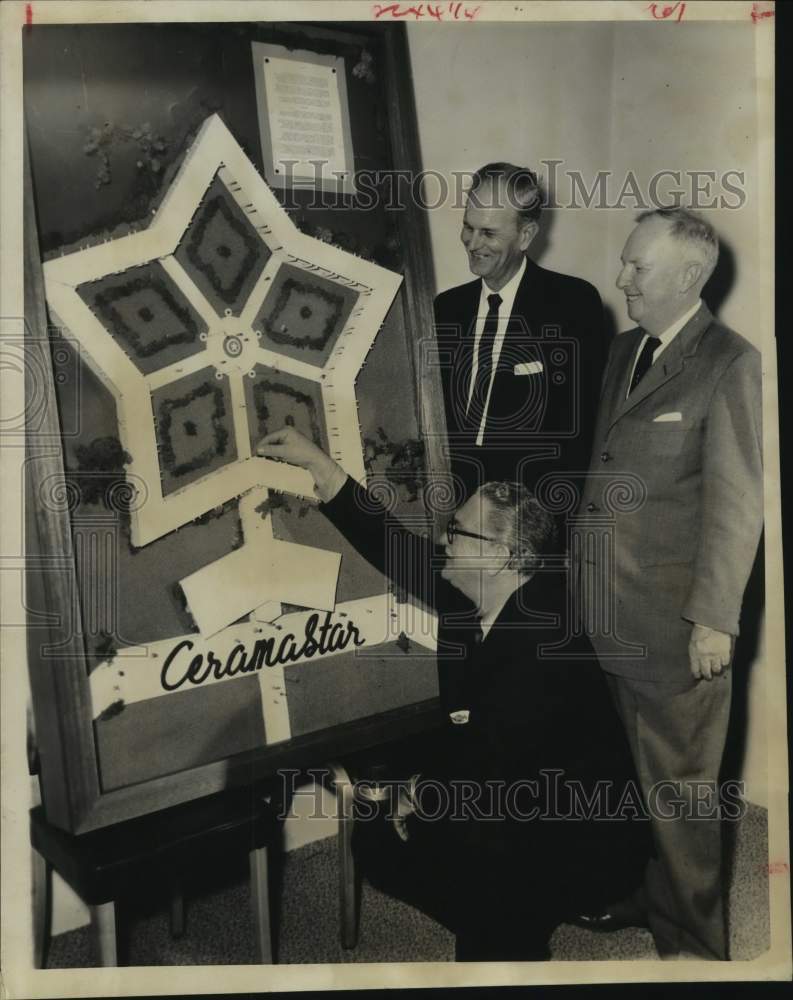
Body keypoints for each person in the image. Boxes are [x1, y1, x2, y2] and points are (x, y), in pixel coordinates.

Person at [258, 426, 647, 962]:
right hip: (507, 797)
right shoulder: (478, 592)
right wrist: (321, 468)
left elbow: (496, 766)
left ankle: (513, 932)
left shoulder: (546, 638)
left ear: (504, 555)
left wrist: (414, 792)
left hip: (576, 830)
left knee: (481, 893)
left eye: (458, 532)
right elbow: (395, 548)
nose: (443, 539)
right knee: (378, 847)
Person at [575, 208, 763, 960]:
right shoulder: (624, 350)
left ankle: (696, 936)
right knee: (630, 775)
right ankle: (648, 895)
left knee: (682, 792)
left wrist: (713, 620)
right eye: (624, 263)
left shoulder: (730, 361)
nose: (621, 278)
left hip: (675, 625)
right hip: (604, 610)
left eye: (636, 267)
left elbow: (736, 505)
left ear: (687, 276)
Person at [435, 162, 606, 498]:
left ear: (526, 235)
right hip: (448, 508)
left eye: (489, 233)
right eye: (468, 227)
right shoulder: (445, 309)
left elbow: (581, 433)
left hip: (526, 515)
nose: (472, 243)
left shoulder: (573, 304)